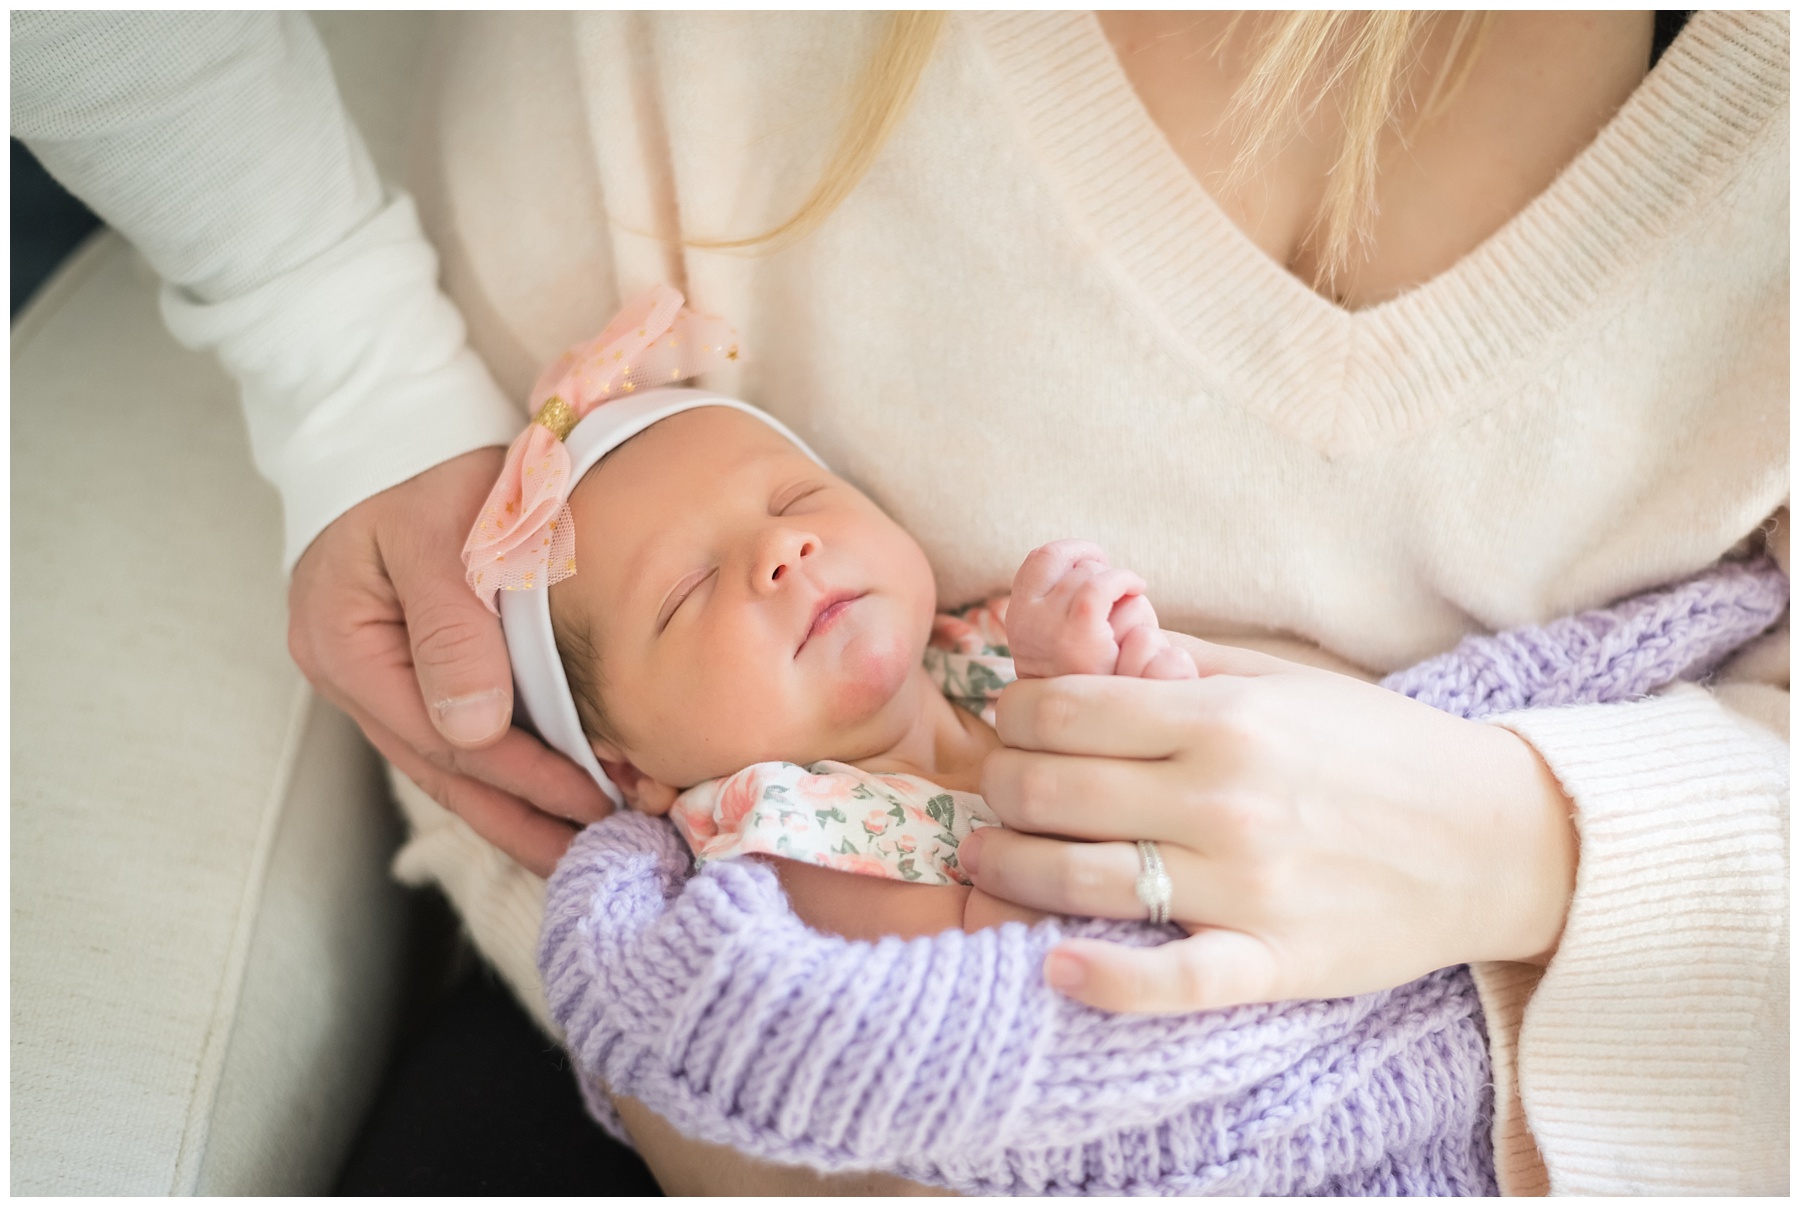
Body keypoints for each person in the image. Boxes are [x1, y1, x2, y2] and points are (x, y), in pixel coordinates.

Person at [13, 9, 1786, 1195]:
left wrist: (1107, 659)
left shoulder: (966, 652)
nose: (783, 553)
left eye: (798, 503)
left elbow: (1116, 719)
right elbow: (926, 962)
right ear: (633, 769)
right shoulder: (763, 837)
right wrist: (333, 358)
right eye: (692, 593)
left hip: (1487, 1053)